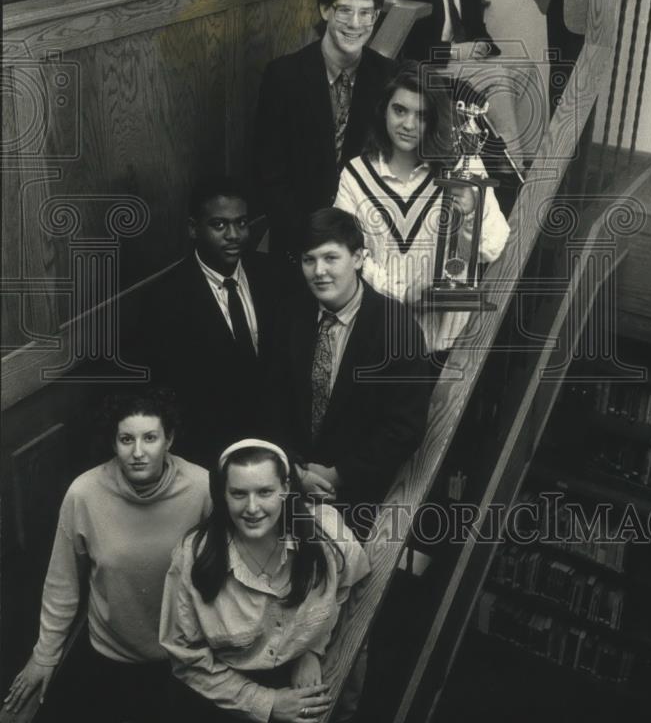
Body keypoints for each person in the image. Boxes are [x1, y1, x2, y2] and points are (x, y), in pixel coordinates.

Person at [3, 392, 209, 723]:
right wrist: (44, 655)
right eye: (126, 439)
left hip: (185, 659)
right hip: (111, 656)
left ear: (169, 439)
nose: (138, 452)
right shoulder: (84, 493)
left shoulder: (202, 488)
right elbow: (62, 583)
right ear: (114, 444)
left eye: (150, 438)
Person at [160, 439, 370, 721]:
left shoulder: (327, 533)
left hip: (307, 683)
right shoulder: (192, 557)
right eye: (238, 493)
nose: (252, 507)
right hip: (226, 695)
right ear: (222, 494)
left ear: (285, 489)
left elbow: (350, 589)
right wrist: (266, 702)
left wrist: (314, 648)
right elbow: (186, 655)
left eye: (265, 492)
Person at [265, 208, 432, 533]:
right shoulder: (289, 316)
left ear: (358, 258)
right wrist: (296, 471)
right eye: (308, 260)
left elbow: (404, 428)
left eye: (331, 258)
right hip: (287, 485)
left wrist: (337, 474)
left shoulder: (397, 326)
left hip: (359, 498)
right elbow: (270, 404)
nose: (319, 271)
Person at [335, 65, 510, 354]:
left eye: (422, 115)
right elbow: (347, 257)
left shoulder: (464, 167)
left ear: (436, 119)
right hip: (377, 337)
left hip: (446, 344)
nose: (408, 124)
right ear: (383, 111)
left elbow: (492, 247)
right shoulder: (355, 176)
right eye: (400, 110)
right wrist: (402, 293)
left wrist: (471, 211)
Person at [253, 0, 394, 265]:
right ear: (325, 10)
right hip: (298, 241)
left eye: (366, 13)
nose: (355, 24)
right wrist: (309, 239)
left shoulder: (388, 78)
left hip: (366, 242)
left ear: (375, 17)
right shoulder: (283, 77)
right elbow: (269, 175)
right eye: (344, 10)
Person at [135, 177, 273, 468]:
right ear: (193, 228)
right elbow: (168, 399)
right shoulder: (165, 301)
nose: (234, 234)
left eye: (242, 223)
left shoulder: (273, 277)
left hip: (276, 444)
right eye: (219, 225)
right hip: (206, 458)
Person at [395, 0, 535, 169]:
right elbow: (413, 49)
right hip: (433, 67)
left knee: (524, 66)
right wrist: (457, 51)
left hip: (468, 63)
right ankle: (513, 164)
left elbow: (479, 30)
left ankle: (513, 149)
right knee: (498, 77)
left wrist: (482, 45)